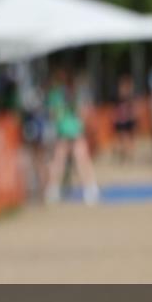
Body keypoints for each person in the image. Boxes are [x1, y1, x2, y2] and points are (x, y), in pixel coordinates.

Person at [45, 69, 99, 205]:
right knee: (61, 162)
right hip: (66, 132)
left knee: (79, 161)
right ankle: (54, 190)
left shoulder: (73, 94)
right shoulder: (59, 95)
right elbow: (55, 114)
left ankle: (90, 188)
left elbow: (81, 113)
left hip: (73, 132)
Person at [112, 74, 137, 163]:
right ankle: (125, 154)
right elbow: (115, 110)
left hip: (127, 120)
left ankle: (128, 155)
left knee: (128, 139)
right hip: (121, 120)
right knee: (123, 139)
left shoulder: (129, 98)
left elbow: (132, 109)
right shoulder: (119, 98)